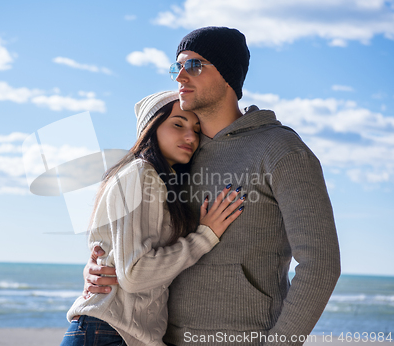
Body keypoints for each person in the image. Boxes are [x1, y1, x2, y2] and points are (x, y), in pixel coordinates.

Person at [83, 27, 341, 346]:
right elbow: (141, 241)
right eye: (176, 67)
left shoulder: (281, 150)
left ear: (228, 75)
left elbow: (320, 261)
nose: (180, 77)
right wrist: (101, 268)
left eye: (193, 65)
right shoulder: (179, 154)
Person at [60, 90, 245, 346]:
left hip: (116, 333)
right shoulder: (142, 174)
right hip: (108, 334)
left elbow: (115, 256)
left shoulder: (158, 181)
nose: (191, 136)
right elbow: (134, 274)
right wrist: (205, 236)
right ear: (151, 127)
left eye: (197, 128)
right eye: (178, 124)